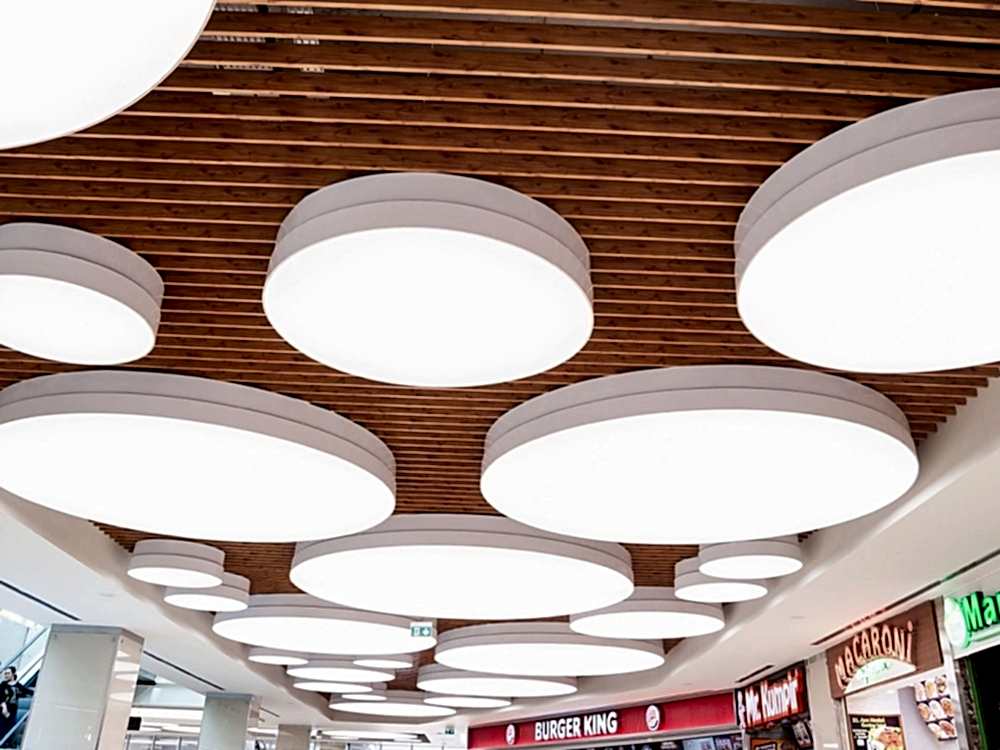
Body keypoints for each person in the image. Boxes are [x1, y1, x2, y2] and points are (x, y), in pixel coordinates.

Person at [0, 667, 32, 748]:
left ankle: (6, 744)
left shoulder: (18, 685)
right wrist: (4, 707)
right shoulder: (3, 684)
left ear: (13, 674)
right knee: (2, 725)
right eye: (5, 674)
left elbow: (27, 691)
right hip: (3, 708)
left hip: (13, 709)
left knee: (10, 727)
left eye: (8, 673)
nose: (6, 675)